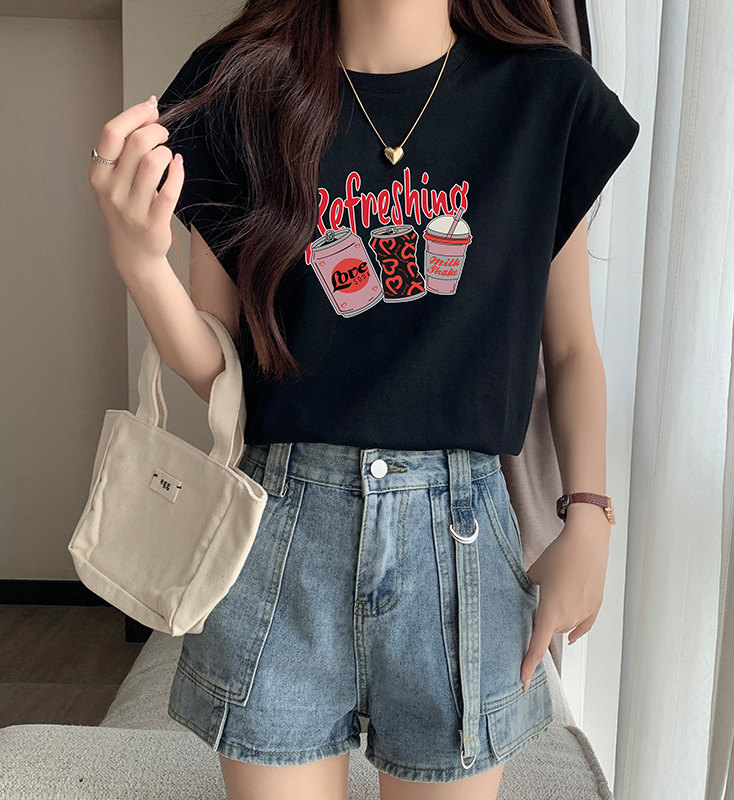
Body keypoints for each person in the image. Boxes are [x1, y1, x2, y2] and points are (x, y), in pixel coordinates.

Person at [87, 0, 639, 797]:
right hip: (279, 537)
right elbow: (220, 368)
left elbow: (573, 348)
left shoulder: (545, 96)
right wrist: (141, 264)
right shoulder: (239, 88)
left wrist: (589, 515)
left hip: (459, 546)